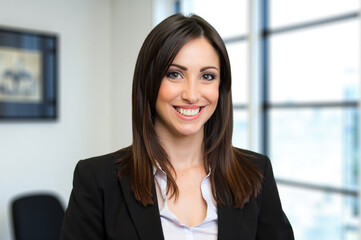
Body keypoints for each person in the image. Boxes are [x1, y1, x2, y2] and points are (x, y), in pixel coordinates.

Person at [61, 13, 294, 240]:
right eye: (175, 74)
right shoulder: (97, 180)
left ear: (221, 88)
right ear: (149, 81)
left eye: (207, 76)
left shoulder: (256, 174)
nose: (191, 95)